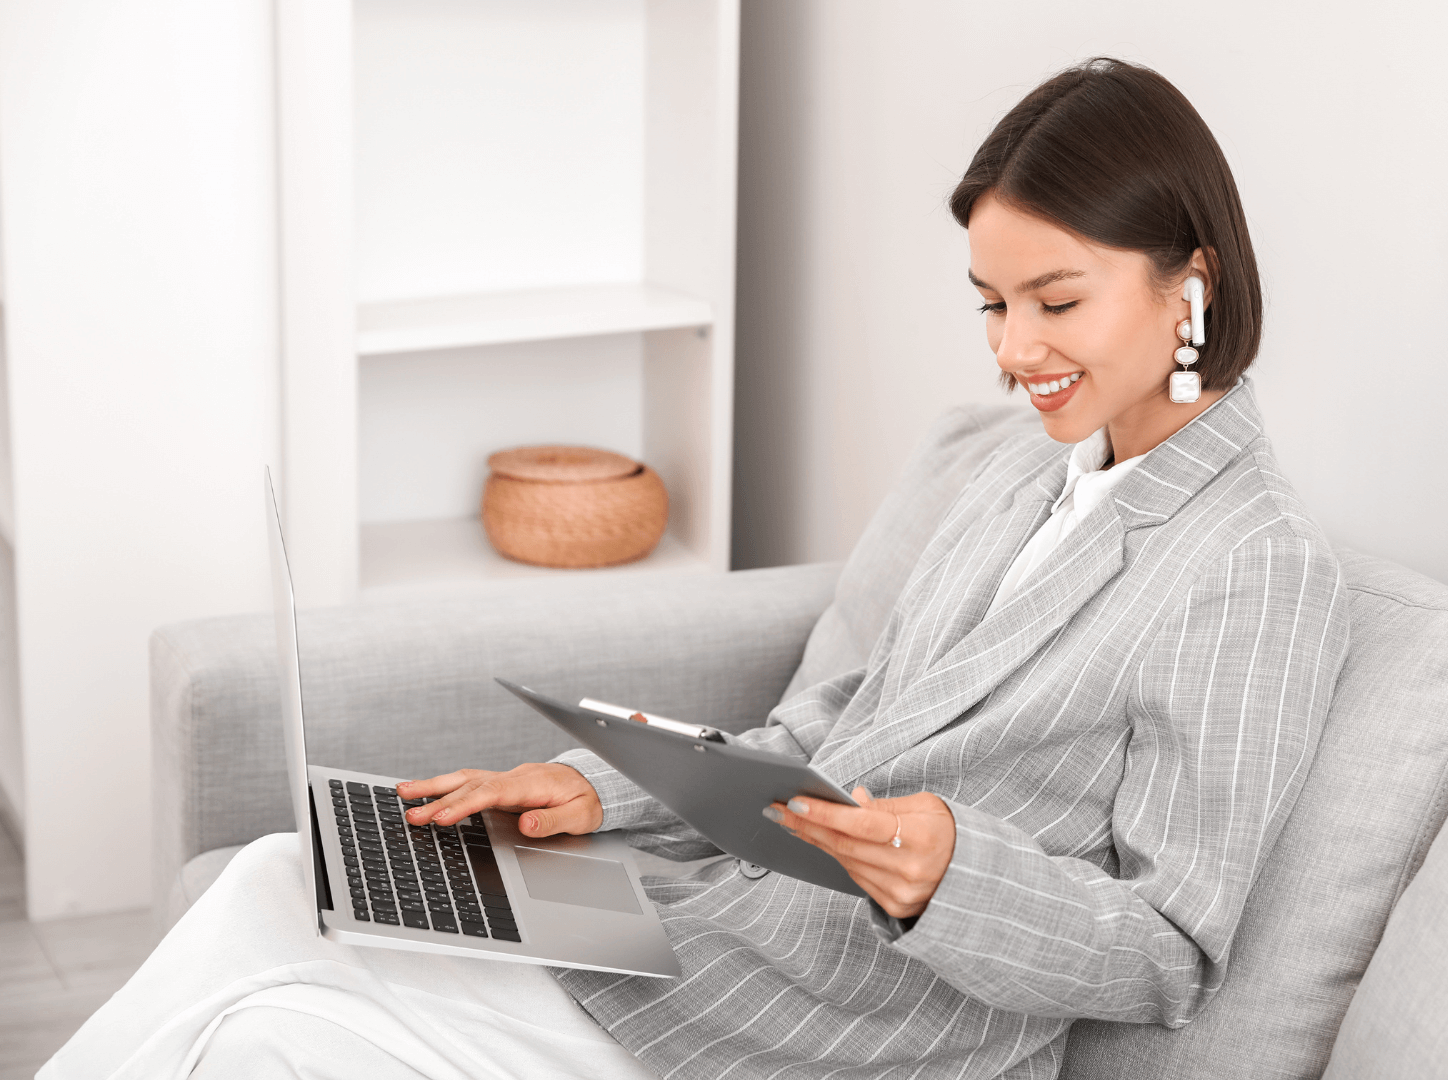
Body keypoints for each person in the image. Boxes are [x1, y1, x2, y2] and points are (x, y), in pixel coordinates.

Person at [44, 58, 1349, 1080]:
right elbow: (824, 728)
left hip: (861, 1030)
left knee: (272, 1035)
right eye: (991, 304)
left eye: (1054, 303)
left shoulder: (1253, 566)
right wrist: (589, 792)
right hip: (723, 930)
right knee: (292, 868)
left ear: (1192, 286)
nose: (1013, 352)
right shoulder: (1015, 466)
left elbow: (1170, 954)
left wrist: (953, 871)